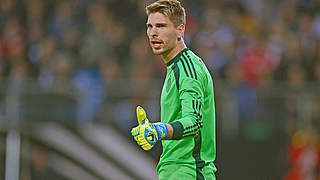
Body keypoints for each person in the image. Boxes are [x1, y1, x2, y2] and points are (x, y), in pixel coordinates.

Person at [131, 0, 217, 179]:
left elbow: (194, 122)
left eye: (161, 26)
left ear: (180, 30)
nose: (153, 33)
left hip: (190, 171)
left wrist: (159, 130)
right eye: (150, 26)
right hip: (176, 171)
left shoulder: (188, 68)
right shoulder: (174, 67)